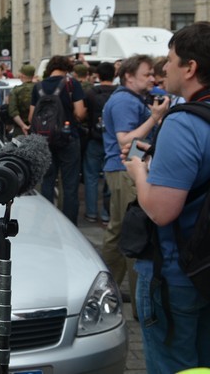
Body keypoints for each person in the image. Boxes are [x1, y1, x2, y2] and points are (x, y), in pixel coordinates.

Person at [125, 22, 210, 373]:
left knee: (174, 364)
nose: (165, 69)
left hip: (177, 276)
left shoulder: (184, 123)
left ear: (190, 68)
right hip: (206, 267)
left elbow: (161, 211)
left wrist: (139, 173)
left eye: (171, 60)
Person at [101, 54, 169, 318]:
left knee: (120, 231)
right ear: (129, 76)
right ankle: (131, 299)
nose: (153, 79)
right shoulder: (123, 101)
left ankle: (111, 290)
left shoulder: (129, 100)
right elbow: (125, 141)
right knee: (129, 231)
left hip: (125, 171)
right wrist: (155, 118)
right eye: (147, 74)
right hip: (124, 171)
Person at [28, 55, 86, 224]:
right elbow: (80, 113)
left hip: (44, 141)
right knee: (69, 185)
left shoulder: (38, 86)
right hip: (68, 138)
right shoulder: (71, 84)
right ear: (67, 67)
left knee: (47, 182)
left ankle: (45, 221)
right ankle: (69, 224)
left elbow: (31, 117)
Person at [83, 62, 116, 224]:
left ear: (98, 75)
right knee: (110, 177)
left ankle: (90, 212)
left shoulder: (91, 93)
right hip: (114, 141)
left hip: (94, 138)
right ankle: (106, 214)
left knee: (91, 177)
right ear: (114, 75)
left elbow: (84, 114)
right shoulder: (118, 94)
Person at [7, 64, 35, 137]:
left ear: (22, 75)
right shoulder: (40, 88)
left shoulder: (16, 90)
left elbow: (13, 111)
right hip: (38, 127)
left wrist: (23, 125)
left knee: (18, 146)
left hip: (20, 129)